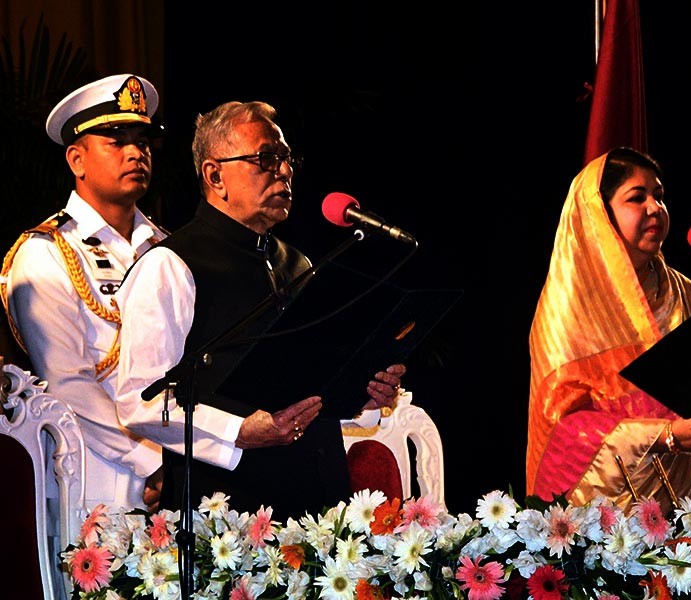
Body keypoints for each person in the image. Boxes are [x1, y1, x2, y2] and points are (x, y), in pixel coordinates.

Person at [113, 100, 405, 517]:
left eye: (286, 159)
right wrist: (239, 431)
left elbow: (306, 386)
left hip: (318, 508)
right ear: (215, 175)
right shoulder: (170, 264)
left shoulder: (298, 264)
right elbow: (140, 403)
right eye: (266, 158)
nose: (284, 171)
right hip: (228, 516)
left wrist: (362, 395)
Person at [526, 147, 691, 512]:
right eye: (636, 197)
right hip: (602, 525)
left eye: (659, 196)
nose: (655, 208)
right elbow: (563, 431)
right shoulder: (569, 304)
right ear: (600, 213)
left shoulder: (682, 292)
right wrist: (666, 436)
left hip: (682, 517)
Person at [1, 74, 165, 513]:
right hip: (92, 475)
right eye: (116, 140)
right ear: (77, 159)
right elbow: (67, 380)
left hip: (176, 471)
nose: (136, 152)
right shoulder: (46, 253)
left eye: (142, 140)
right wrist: (150, 458)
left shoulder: (167, 250)